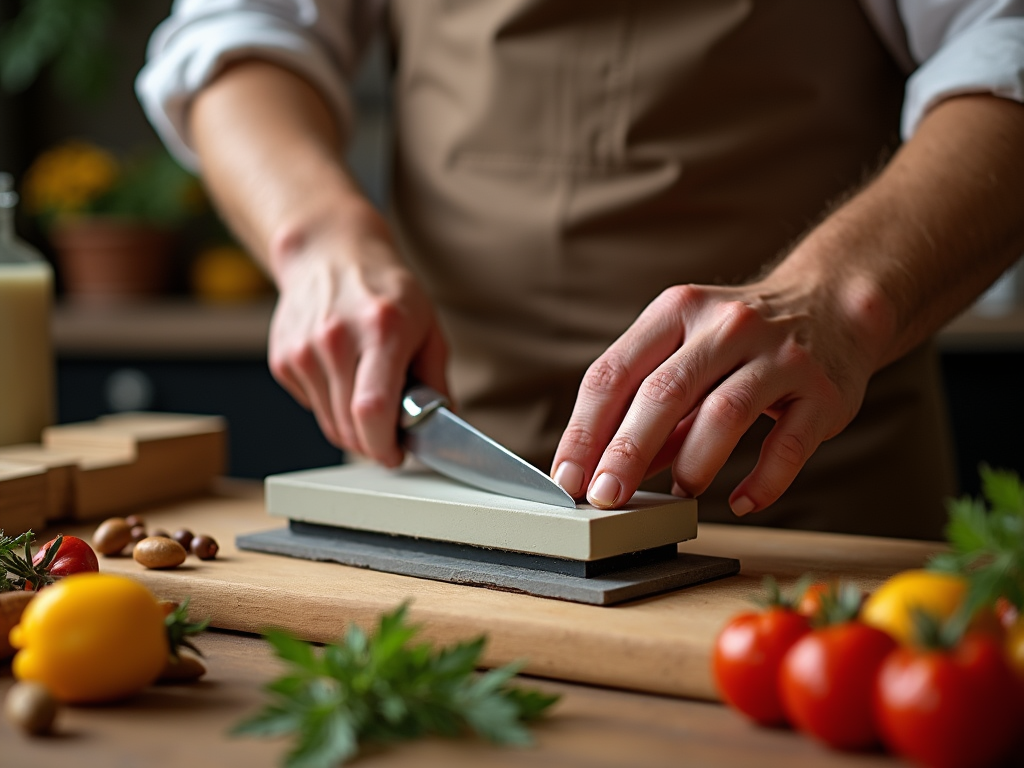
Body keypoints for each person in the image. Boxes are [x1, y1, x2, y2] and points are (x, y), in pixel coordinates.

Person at [137, 0, 1024, 540]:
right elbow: (239, 30)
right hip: (437, 480)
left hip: (808, 503)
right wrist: (317, 238)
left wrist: (833, 299)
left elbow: (1006, 37)